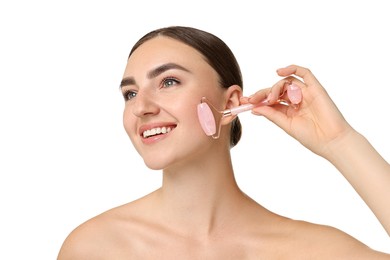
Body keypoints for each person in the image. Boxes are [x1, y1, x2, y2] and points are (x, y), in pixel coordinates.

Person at [57, 26, 390, 259]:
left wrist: (340, 142)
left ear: (230, 104)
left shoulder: (310, 250)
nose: (141, 107)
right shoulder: (95, 248)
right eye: (130, 93)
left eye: (169, 81)